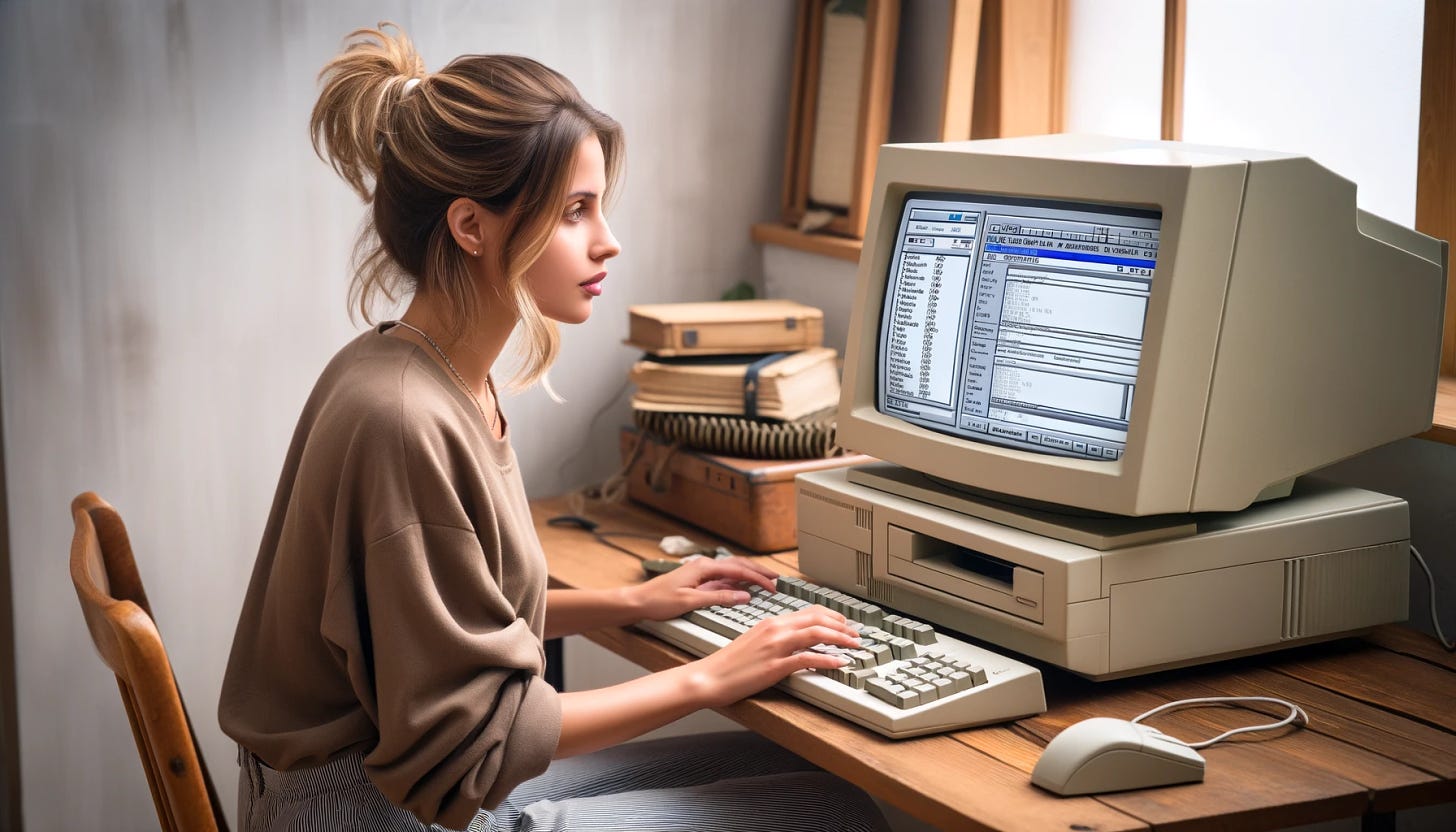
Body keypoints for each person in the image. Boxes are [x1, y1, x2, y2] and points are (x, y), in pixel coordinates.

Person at [218, 23, 892, 832]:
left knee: (787, 768)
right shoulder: (401, 418)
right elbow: (475, 742)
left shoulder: (423, 374)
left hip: (383, 788)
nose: (608, 241)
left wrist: (628, 604)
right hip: (364, 816)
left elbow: (448, 620)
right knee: (828, 809)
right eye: (577, 211)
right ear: (472, 227)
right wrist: (712, 675)